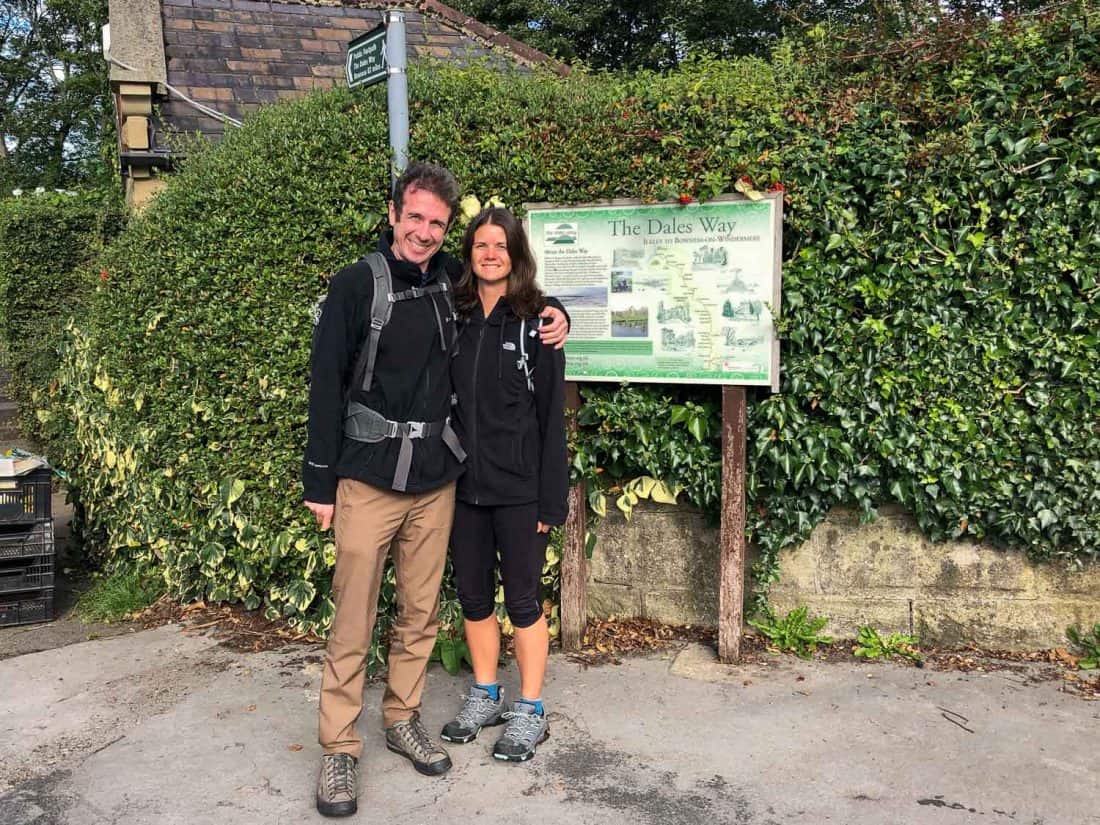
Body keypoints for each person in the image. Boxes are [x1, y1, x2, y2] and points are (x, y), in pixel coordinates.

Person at [303, 164, 568, 817]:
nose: (425, 232)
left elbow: (512, 285)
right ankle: (339, 746)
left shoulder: (452, 277)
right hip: (366, 476)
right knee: (353, 617)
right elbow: (325, 383)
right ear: (394, 214)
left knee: (419, 615)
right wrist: (320, 480)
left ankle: (402, 717)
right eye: (415, 217)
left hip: (434, 481)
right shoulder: (355, 284)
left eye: (437, 223)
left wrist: (556, 313)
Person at [439, 207, 568, 762]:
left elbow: (550, 416)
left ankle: (530, 708)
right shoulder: (455, 312)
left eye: (501, 245)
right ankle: (487, 693)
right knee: (472, 597)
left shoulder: (539, 320)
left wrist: (550, 499)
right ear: (469, 254)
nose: (490, 254)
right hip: (463, 487)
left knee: (521, 599)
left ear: (517, 253)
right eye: (480, 245)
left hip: (520, 490)